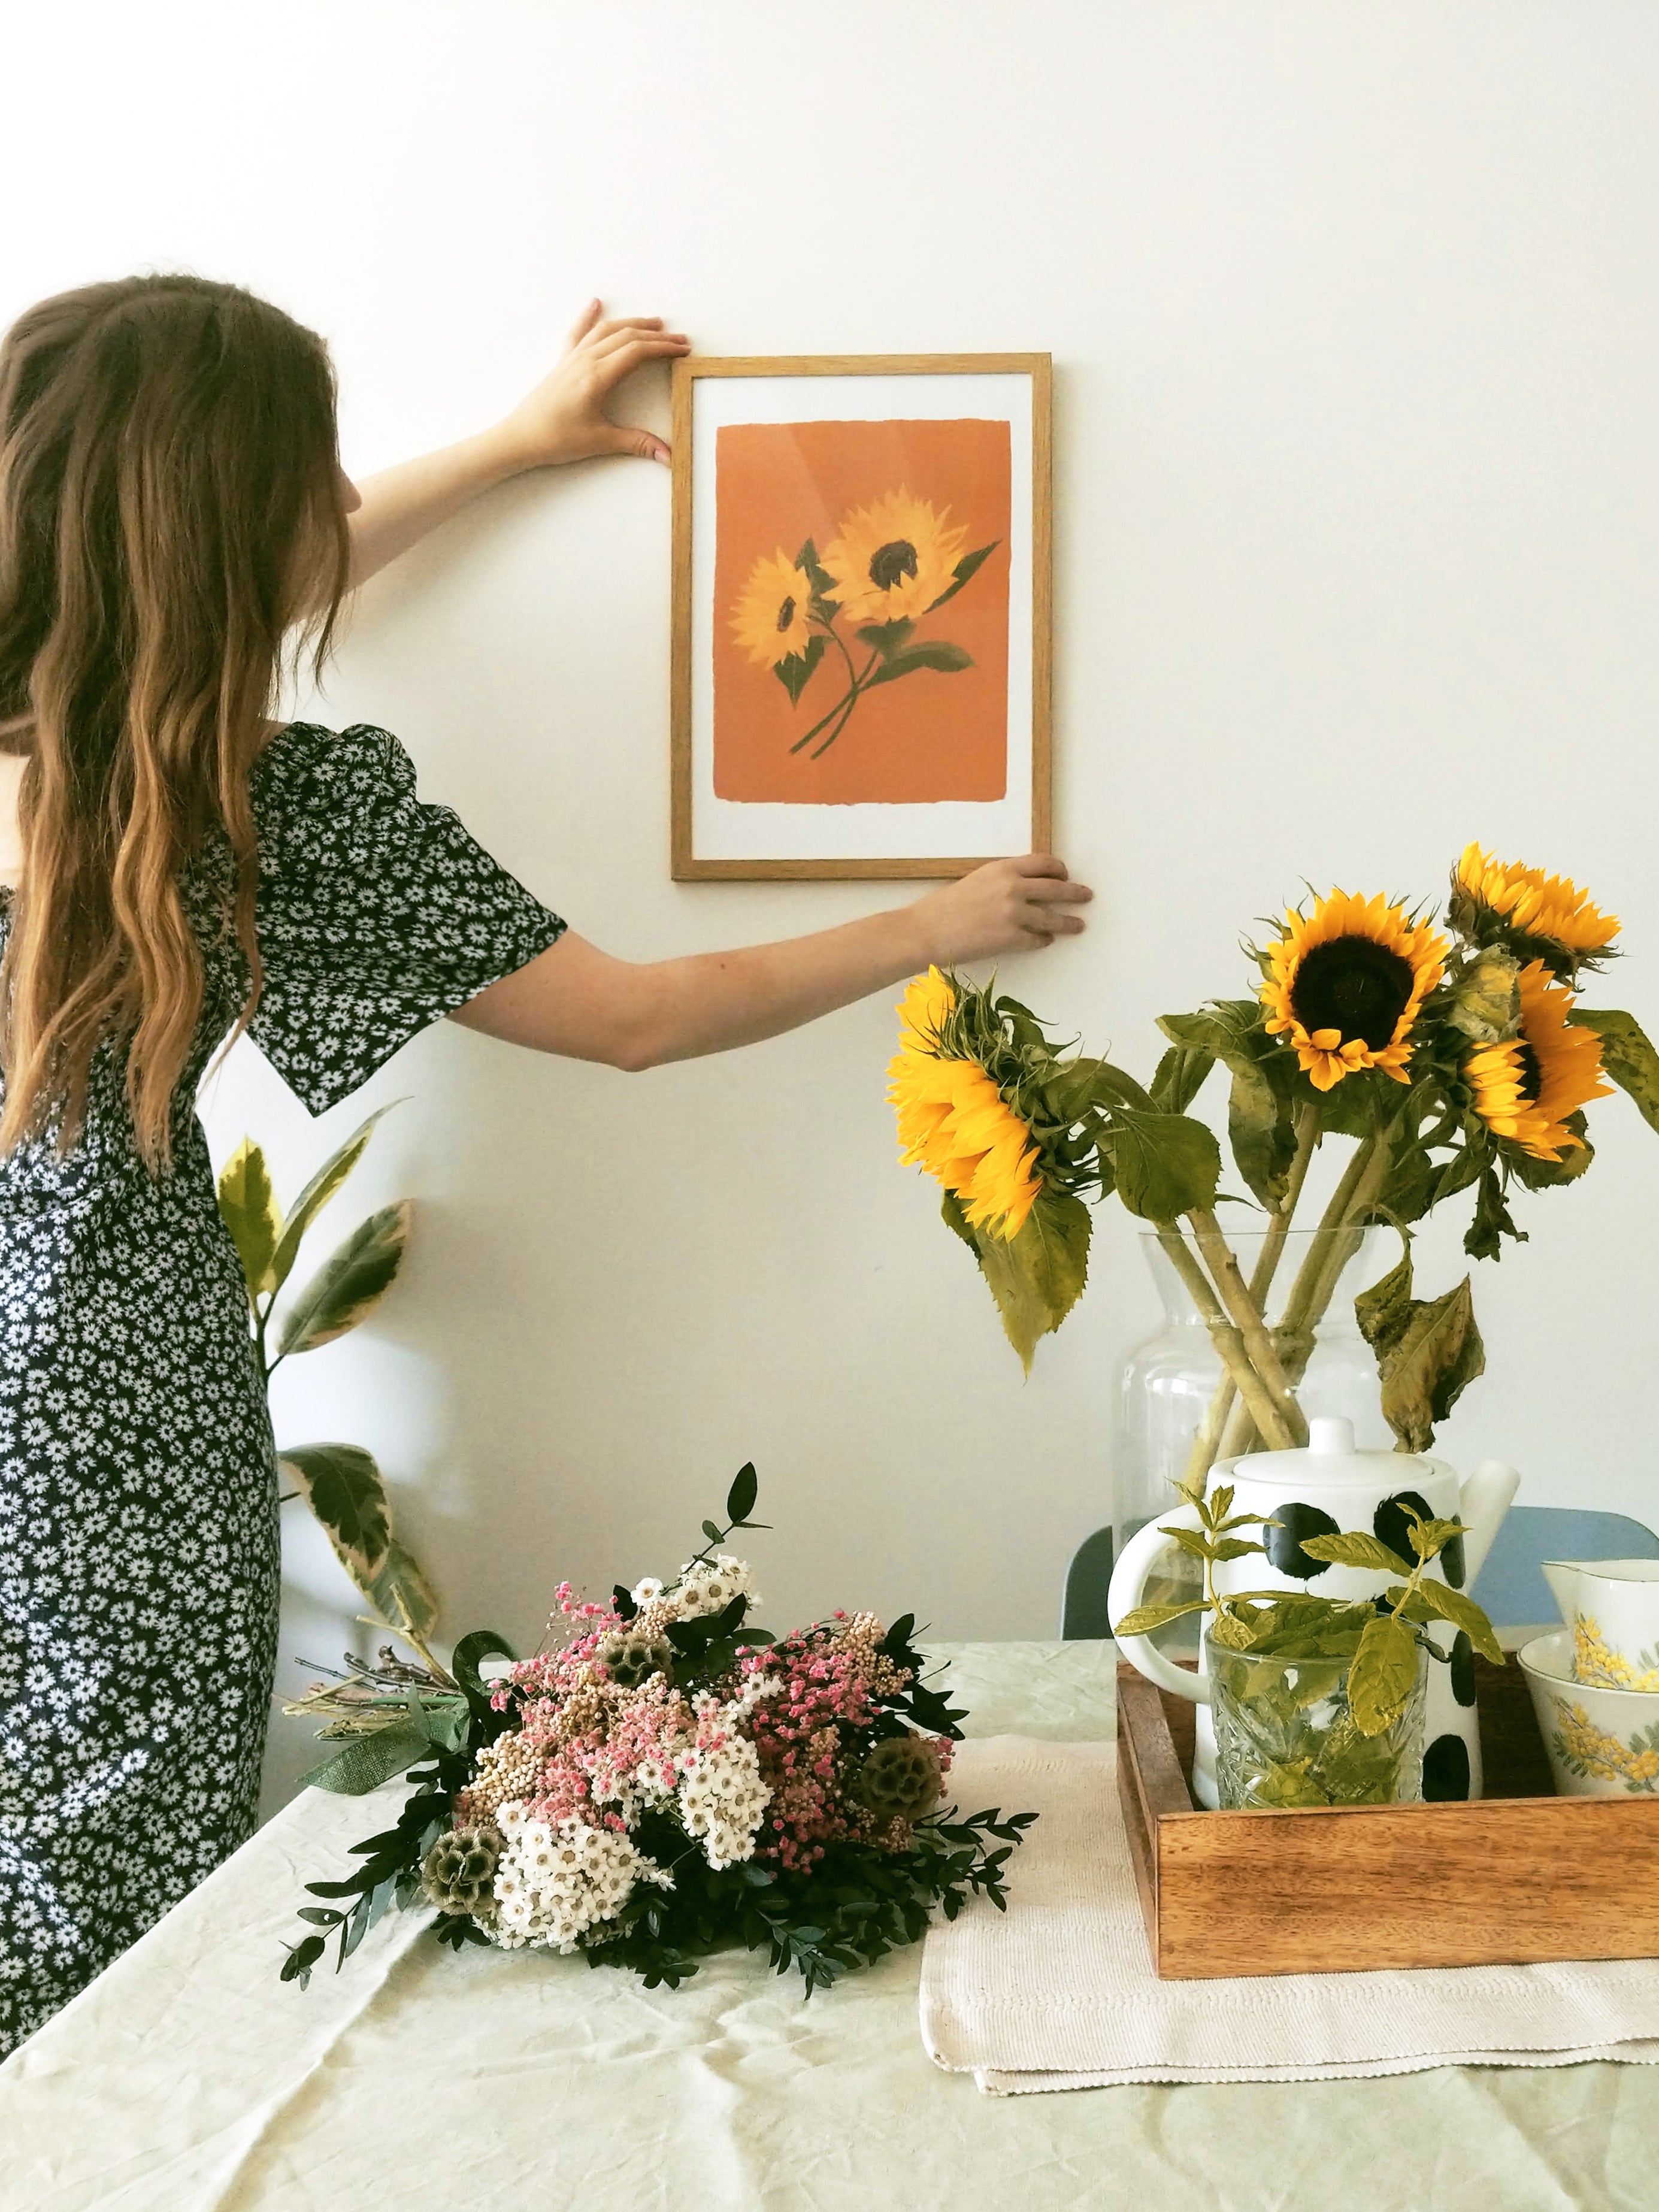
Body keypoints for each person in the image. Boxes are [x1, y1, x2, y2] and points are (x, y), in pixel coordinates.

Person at [0, 274, 1091, 2051]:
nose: (344, 515)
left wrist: (512, 445)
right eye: (312, 485)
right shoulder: (252, 800)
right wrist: (929, 920)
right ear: (238, 523)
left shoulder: (138, 754)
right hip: (97, 1410)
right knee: (99, 1896)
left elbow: (212, 567)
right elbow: (639, 1015)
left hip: (67, 1387)